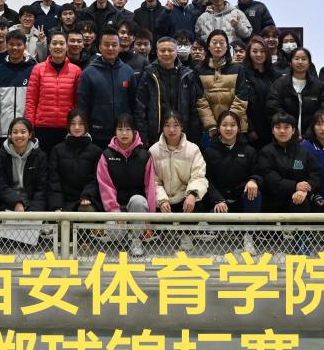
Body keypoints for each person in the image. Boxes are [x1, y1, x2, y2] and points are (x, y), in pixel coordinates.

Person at [257, 112, 321, 254]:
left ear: (293, 130)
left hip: (298, 198)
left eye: (286, 127)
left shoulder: (304, 152)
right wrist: (295, 186)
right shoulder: (266, 152)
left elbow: (315, 175)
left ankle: (301, 242)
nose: (282, 131)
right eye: (278, 127)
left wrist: (303, 190)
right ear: (272, 130)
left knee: (302, 201)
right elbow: (270, 178)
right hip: (273, 199)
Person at [96, 114, 157, 257]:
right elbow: (105, 186)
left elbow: (150, 187)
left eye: (128, 129)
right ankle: (122, 240)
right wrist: (114, 212)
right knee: (115, 235)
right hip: (116, 208)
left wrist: (150, 219)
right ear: (115, 132)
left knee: (138, 200)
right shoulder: (106, 155)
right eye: (120, 129)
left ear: (134, 131)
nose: (124, 133)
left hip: (137, 208)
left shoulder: (145, 155)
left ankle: (136, 240)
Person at [202, 111, 263, 254]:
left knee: (255, 193)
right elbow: (205, 179)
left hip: (240, 201)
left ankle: (248, 237)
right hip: (220, 203)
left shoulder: (249, 150)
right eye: (224, 125)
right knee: (215, 220)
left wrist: (253, 180)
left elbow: (258, 172)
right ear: (218, 128)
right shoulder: (209, 151)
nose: (228, 128)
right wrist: (218, 199)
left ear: (239, 128)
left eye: (233, 125)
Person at [150, 111, 208, 251]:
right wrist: (162, 200)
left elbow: (199, 176)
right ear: (162, 127)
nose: (171, 130)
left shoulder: (193, 149)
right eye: (167, 125)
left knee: (198, 203)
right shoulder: (153, 151)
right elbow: (153, 181)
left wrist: (192, 194)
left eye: (176, 125)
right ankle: (165, 232)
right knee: (150, 205)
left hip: (184, 199)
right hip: (164, 201)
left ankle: (186, 234)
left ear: (182, 127)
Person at [135, 36, 201, 147]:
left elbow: (194, 109)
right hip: (155, 136)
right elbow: (140, 108)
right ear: (157, 52)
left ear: (176, 52)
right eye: (162, 50)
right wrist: (143, 137)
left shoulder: (187, 75)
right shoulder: (148, 74)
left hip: (183, 135)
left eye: (170, 50)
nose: (166, 53)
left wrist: (194, 138)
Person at [77, 26, 137, 148]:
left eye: (114, 45)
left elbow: (134, 104)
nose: (110, 48)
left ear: (119, 47)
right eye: (106, 45)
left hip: (123, 134)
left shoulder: (128, 72)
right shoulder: (88, 73)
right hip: (96, 135)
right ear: (100, 47)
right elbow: (82, 106)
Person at [26, 30, 82, 153]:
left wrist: (76, 125)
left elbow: (77, 102)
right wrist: (30, 125)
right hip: (42, 127)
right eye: (54, 43)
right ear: (49, 47)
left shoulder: (76, 71)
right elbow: (31, 100)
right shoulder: (38, 69)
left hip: (66, 127)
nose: (58, 47)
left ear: (67, 47)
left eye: (61, 43)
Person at [196, 30, 250, 146]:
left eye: (222, 43)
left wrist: (229, 123)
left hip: (236, 126)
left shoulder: (238, 68)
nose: (218, 46)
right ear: (208, 47)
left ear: (227, 47)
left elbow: (242, 97)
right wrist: (211, 125)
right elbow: (200, 101)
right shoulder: (199, 69)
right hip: (210, 129)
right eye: (214, 42)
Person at [47, 110, 102, 212]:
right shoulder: (57, 150)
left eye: (81, 124)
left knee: (87, 210)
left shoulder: (96, 151)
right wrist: (57, 205)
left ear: (86, 125)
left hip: (86, 200)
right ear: (68, 125)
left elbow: (95, 179)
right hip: (62, 201)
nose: (77, 127)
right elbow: (54, 181)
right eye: (73, 124)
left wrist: (87, 195)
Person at [0, 30, 36, 151]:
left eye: (19, 44)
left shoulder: (34, 70)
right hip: (1, 131)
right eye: (11, 44)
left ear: (25, 46)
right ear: (6, 45)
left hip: (25, 132)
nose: (15, 48)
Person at [0, 118, 49, 212]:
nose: (19, 135)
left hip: (33, 203)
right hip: (9, 203)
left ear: (30, 134)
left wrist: (33, 211)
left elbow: (41, 189)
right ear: (10, 135)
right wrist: (16, 202)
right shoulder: (1, 156)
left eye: (23, 132)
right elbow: (1, 186)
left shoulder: (40, 157)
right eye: (15, 132)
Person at [268, 47, 323, 135]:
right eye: (296, 59)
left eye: (304, 59)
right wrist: (292, 131)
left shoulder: (318, 86)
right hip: (285, 134)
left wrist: (309, 134)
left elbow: (322, 112)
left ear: (309, 63)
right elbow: (274, 108)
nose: (300, 62)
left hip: (312, 136)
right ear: (290, 62)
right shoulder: (279, 84)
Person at [242, 36, 280, 149]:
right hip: (251, 132)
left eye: (262, 51)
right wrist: (250, 129)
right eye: (255, 51)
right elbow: (240, 104)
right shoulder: (242, 73)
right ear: (249, 53)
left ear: (267, 53)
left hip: (273, 130)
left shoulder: (276, 75)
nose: (259, 54)